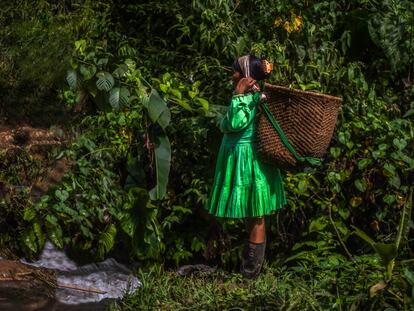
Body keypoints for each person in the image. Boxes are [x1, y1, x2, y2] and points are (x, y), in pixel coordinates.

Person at [205, 54, 287, 278]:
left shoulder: (250, 98)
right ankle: (250, 272)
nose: (232, 75)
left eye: (235, 71)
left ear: (246, 76)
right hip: (245, 159)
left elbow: (233, 123)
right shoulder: (255, 97)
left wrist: (238, 94)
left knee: (255, 218)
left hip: (248, 161)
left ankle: (250, 274)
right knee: (254, 217)